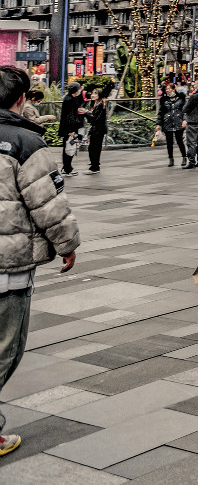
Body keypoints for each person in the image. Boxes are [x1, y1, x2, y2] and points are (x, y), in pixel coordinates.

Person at [0, 65, 79, 461]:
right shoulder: (26, 143)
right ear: (20, 99)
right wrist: (67, 244)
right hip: (7, 268)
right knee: (5, 350)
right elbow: (48, 204)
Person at [58, 82, 84, 176]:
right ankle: (67, 168)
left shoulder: (72, 98)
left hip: (70, 128)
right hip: (69, 129)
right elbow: (69, 116)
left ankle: (67, 167)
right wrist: (71, 130)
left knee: (69, 147)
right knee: (69, 148)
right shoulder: (69, 100)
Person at [84, 87, 109, 174]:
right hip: (96, 129)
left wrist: (86, 112)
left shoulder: (100, 105)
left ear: (99, 95)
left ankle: (95, 167)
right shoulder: (95, 104)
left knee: (94, 148)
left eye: (95, 93)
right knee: (92, 148)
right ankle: (94, 165)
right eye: (92, 93)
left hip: (98, 130)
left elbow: (95, 119)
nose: (92, 95)